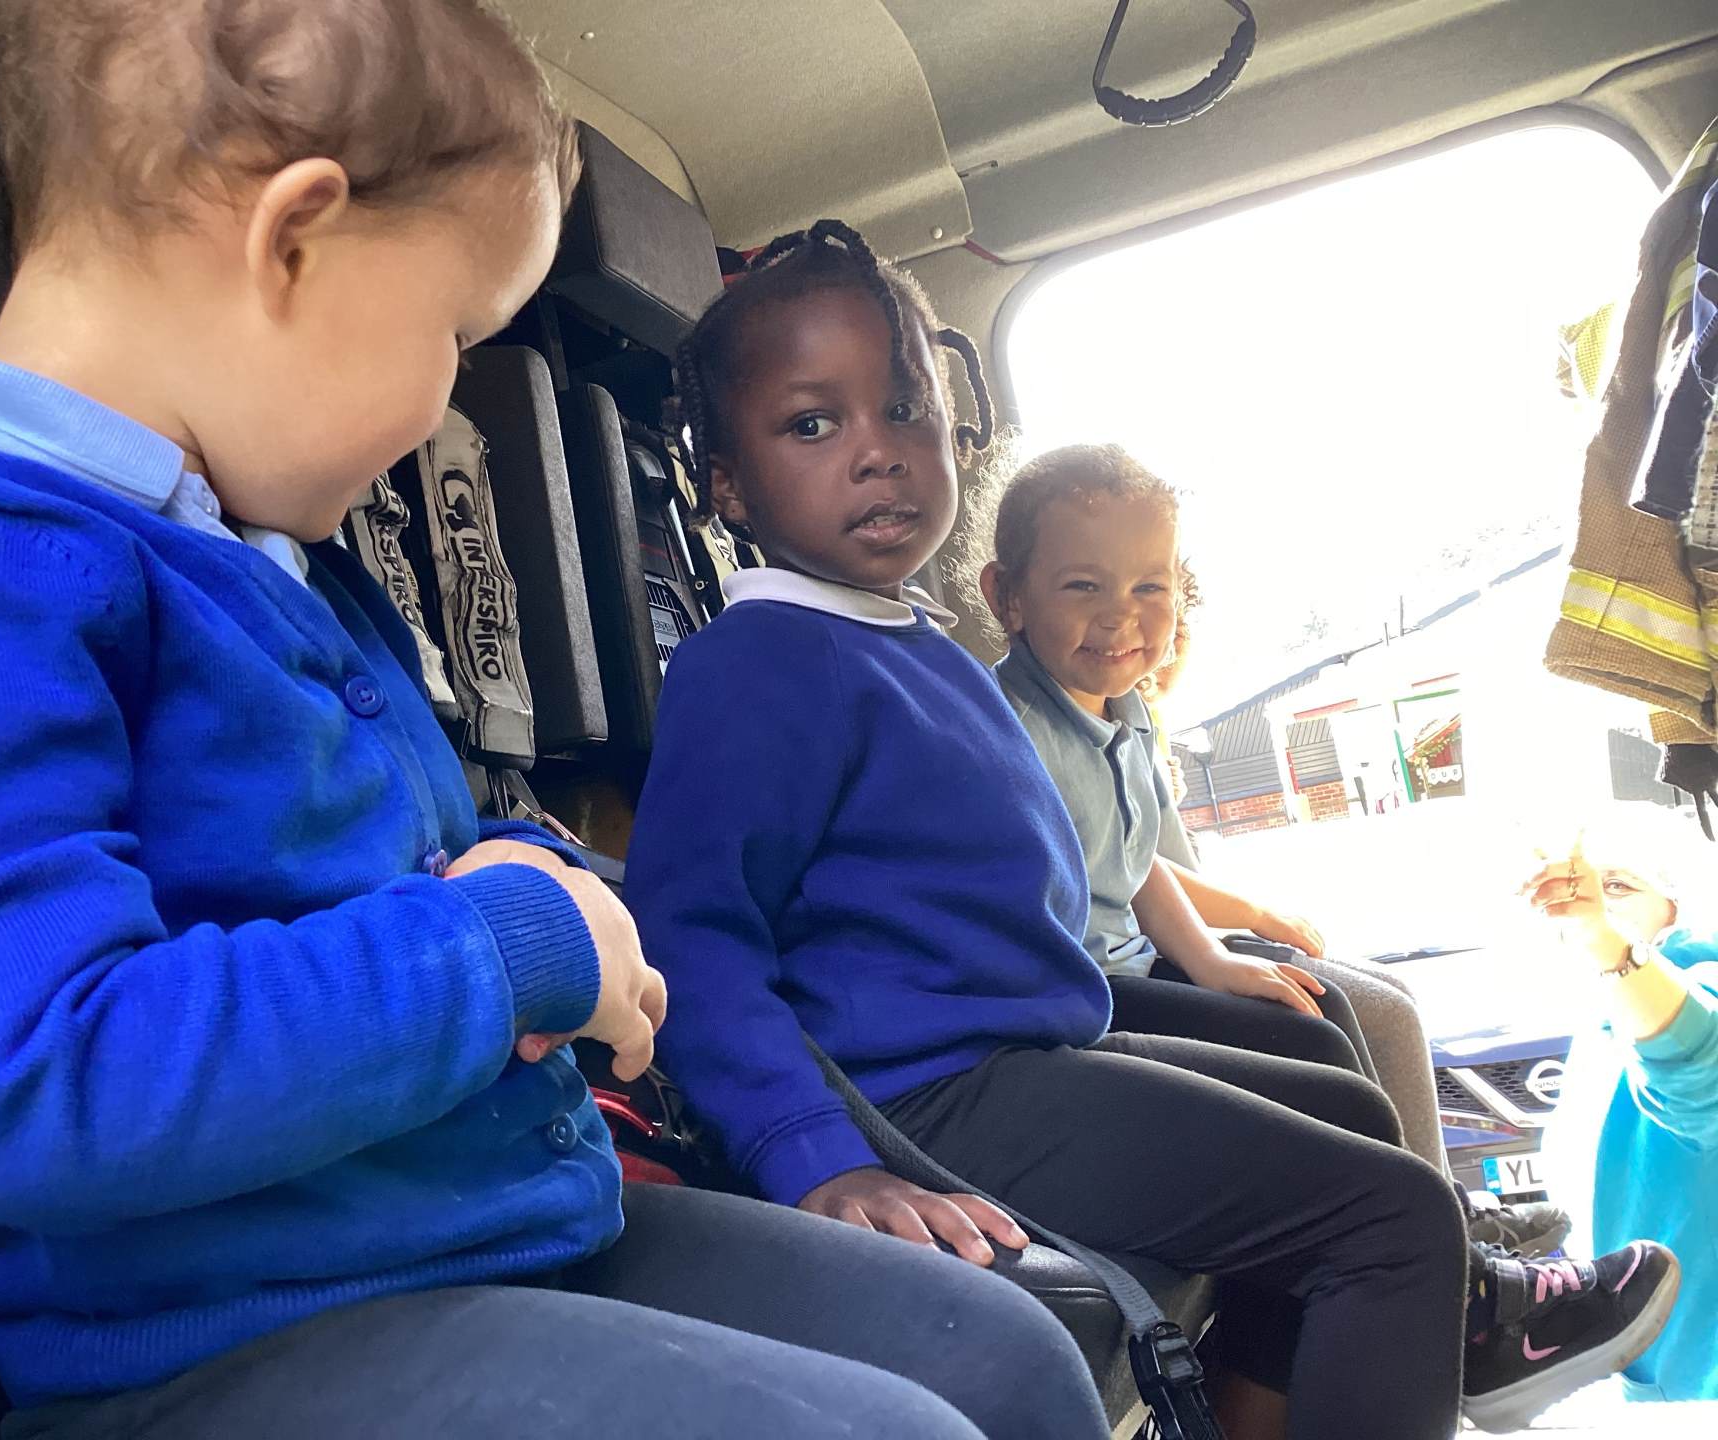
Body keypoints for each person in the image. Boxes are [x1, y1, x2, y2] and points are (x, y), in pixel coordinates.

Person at [0, 7, 1117, 1438]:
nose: (445, 404)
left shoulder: (275, 558)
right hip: (217, 1340)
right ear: (292, 242)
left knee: (1010, 1357)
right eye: (454, 335)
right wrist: (510, 947)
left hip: (494, 1228)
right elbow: (24, 1082)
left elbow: (393, 866)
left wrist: (542, 878)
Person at [625, 218, 1679, 1439]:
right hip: (922, 1099)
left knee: (1344, 1100)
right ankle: (1442, 1317)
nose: (878, 454)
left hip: (1014, 1047)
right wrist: (815, 1154)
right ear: (727, 485)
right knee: (1392, 1222)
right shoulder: (754, 666)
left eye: (906, 410)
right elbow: (690, 942)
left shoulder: (911, 643)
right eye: (813, 425)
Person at [968, 441, 1568, 1256]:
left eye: (1150, 587)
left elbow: (1133, 862)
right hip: (1084, 994)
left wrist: (1214, 958)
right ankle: (1426, 1247)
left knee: (1319, 1007)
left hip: (1133, 961)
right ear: (1007, 597)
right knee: (1310, 1044)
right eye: (1084, 586)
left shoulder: (1122, 711)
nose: (1119, 616)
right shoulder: (1009, 730)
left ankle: (1444, 1231)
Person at [1523, 821, 1715, 1402]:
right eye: (1578, 886)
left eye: (1620, 887)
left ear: (1677, 904)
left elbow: (1698, 1066)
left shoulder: (1697, 976)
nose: (1590, 900)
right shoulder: (1603, 1009)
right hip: (1649, 1366)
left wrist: (1602, 938)